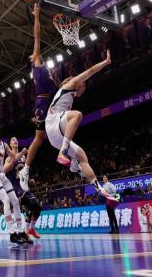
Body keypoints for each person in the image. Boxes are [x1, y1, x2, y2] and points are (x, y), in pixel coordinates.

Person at [45, 50, 119, 206]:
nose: (84, 88)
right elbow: (90, 71)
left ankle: (101, 190)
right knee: (77, 115)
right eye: (84, 85)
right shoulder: (71, 84)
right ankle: (64, 154)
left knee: (83, 157)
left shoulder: (67, 95)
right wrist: (106, 62)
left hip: (56, 136)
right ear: (78, 83)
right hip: (53, 124)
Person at [20, 4, 58, 192]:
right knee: (40, 137)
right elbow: (37, 36)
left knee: (43, 137)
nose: (34, 54)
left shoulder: (45, 69)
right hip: (43, 102)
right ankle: (25, 169)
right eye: (33, 55)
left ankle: (27, 169)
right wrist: (36, 16)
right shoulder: (37, 65)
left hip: (48, 102)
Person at [4, 136, 42, 240]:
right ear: (10, 144)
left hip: (24, 185)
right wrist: (13, 161)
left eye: (16, 139)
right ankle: (24, 231)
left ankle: (30, 229)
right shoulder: (9, 158)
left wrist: (29, 180)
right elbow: (4, 170)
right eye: (13, 140)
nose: (15, 140)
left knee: (38, 206)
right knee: (31, 205)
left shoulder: (23, 157)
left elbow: (24, 172)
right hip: (15, 188)